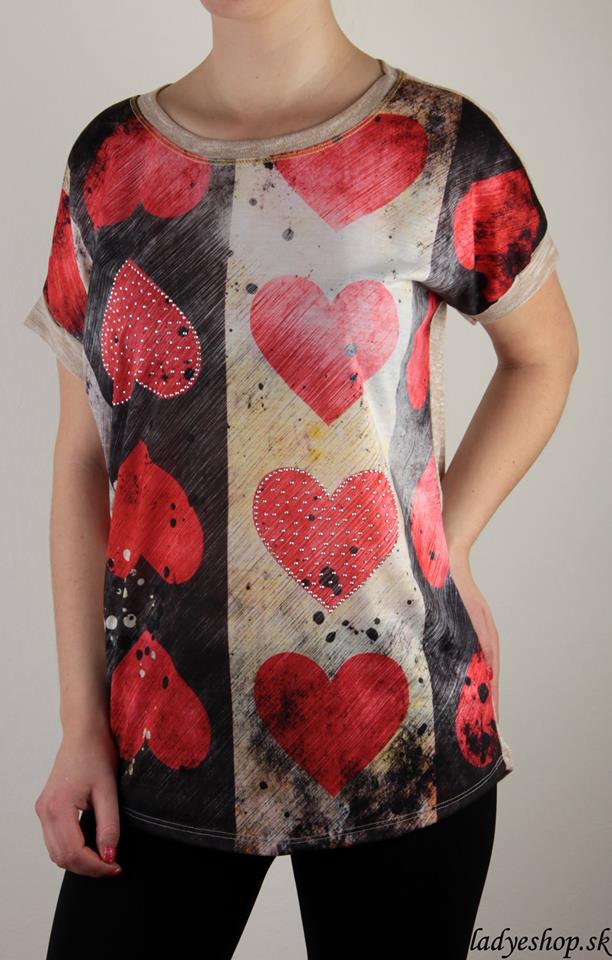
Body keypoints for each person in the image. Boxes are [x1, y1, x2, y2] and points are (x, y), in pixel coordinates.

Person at [23, 0, 578, 957]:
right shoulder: (107, 163)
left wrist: (450, 543)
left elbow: (546, 356)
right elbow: (83, 457)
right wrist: (80, 728)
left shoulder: (445, 142)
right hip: (157, 732)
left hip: (405, 729)